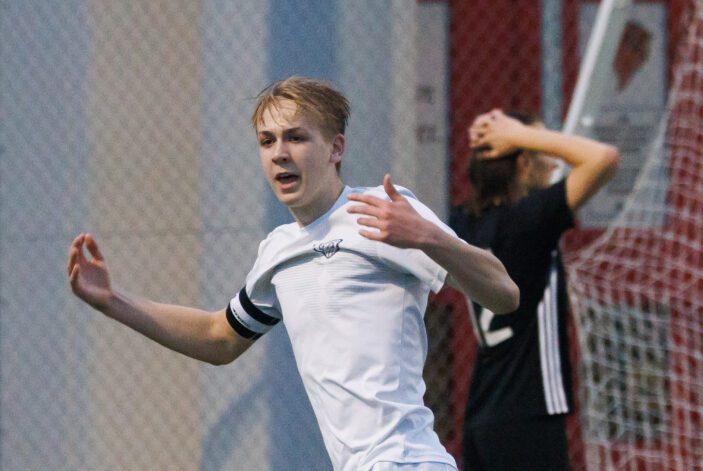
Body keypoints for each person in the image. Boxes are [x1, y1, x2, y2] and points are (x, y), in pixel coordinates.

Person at [67, 76, 519, 471]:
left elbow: (504, 293)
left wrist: (429, 237)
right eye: (267, 142)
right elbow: (218, 337)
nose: (280, 154)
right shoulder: (278, 252)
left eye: (296, 138)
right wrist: (113, 301)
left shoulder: (383, 211)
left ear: (336, 148)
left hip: (407, 460)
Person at [450, 109, 619, 470]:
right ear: (524, 163)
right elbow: (603, 158)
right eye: (540, 150)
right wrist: (521, 134)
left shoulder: (462, 222)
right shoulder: (529, 221)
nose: (552, 160)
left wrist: (493, 140)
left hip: (481, 417)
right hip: (528, 414)